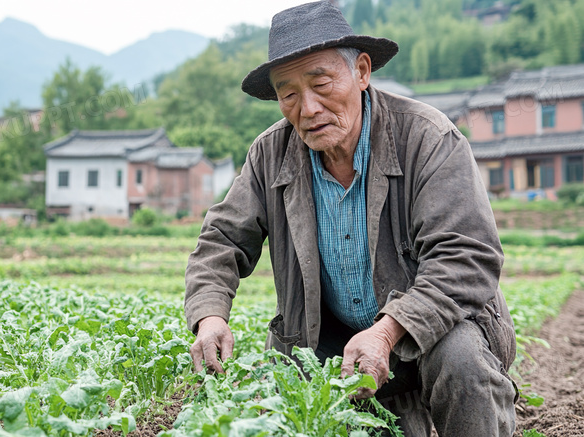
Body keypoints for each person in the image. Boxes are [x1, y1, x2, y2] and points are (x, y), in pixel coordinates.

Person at [183, 2, 518, 436]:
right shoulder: (270, 154)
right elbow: (222, 239)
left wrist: (386, 332)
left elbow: (466, 258)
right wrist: (210, 316)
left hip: (435, 334)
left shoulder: (428, 139)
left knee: (461, 360)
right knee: (304, 408)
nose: (308, 109)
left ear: (361, 72)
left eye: (321, 83)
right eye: (288, 94)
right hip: (340, 350)